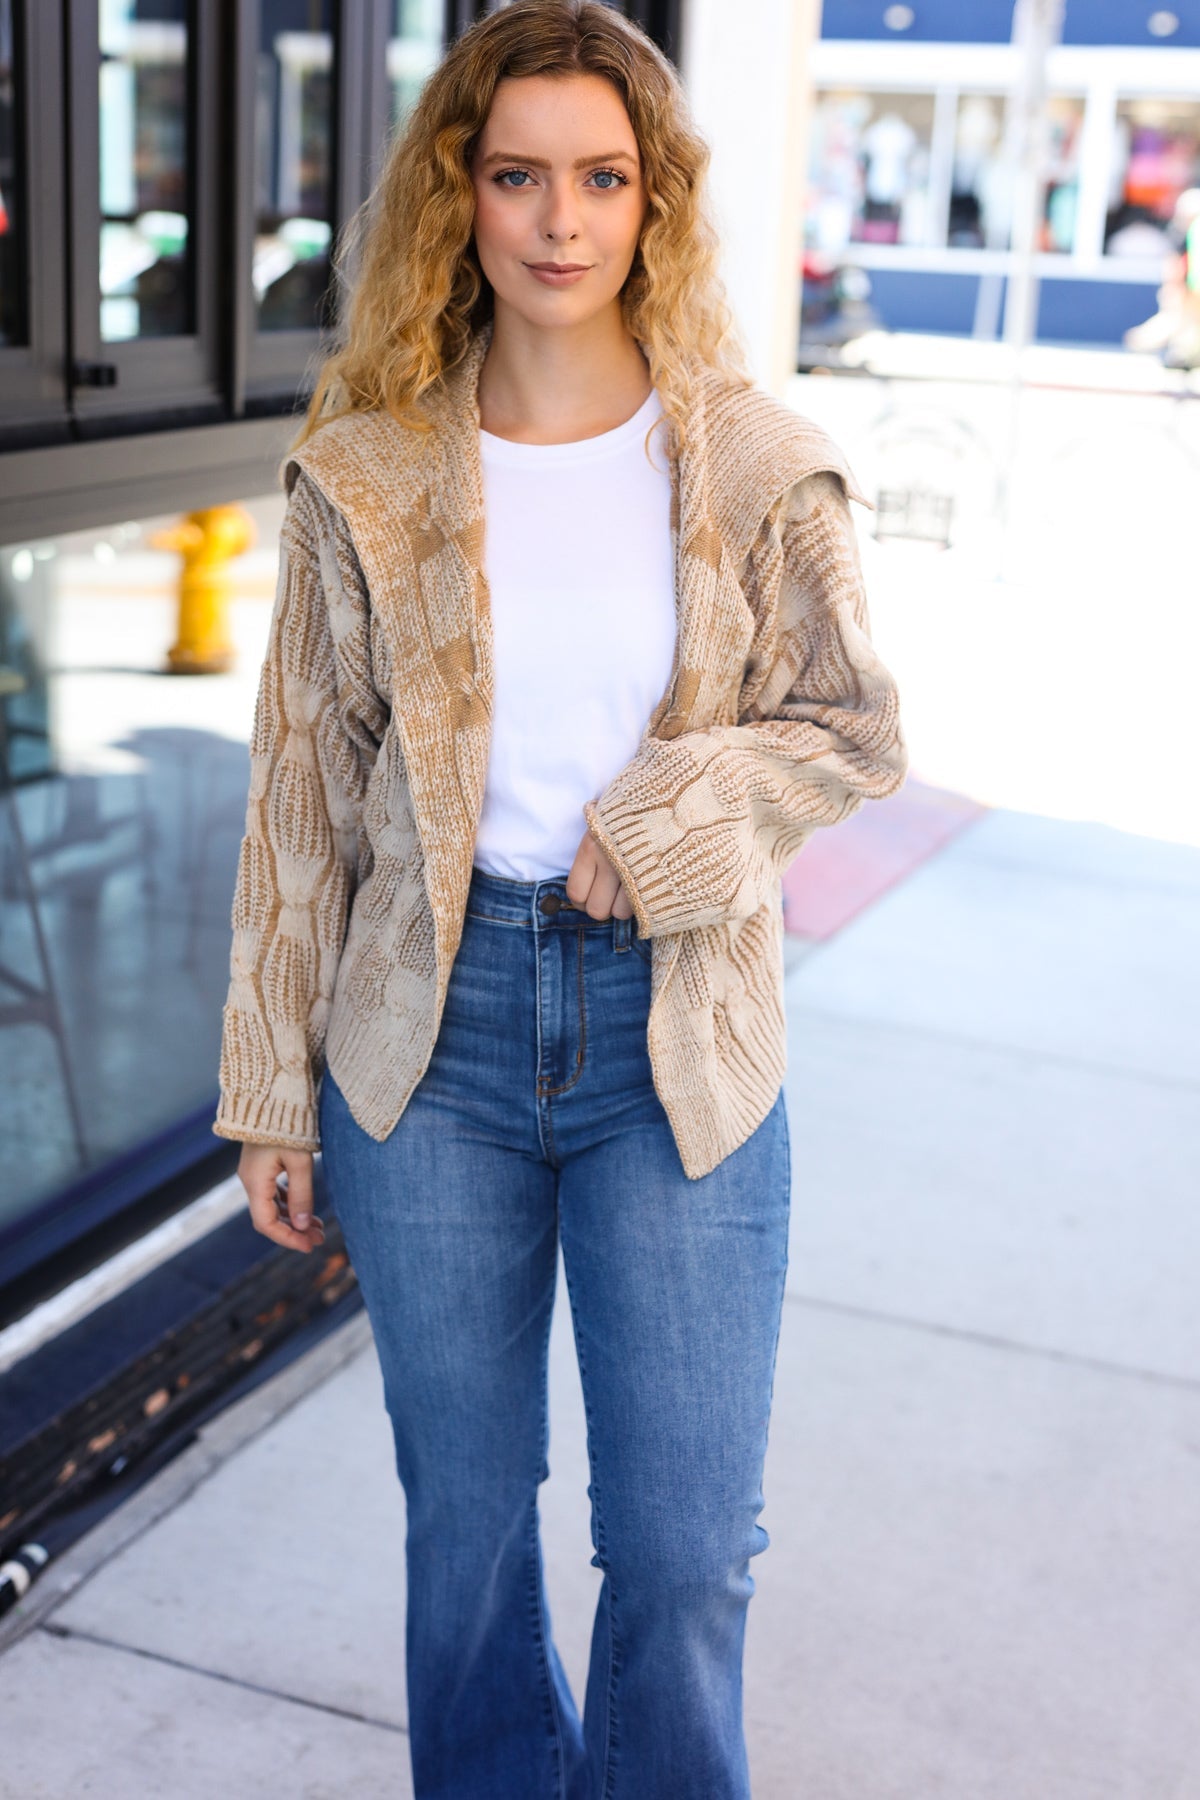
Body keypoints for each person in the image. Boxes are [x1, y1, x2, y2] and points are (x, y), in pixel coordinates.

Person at [212, 3, 908, 1794]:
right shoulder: (361, 474)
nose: (558, 219)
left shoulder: (750, 462)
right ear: (461, 193)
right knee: (469, 1528)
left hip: (671, 1036)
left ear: (655, 203)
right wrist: (272, 1090)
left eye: (602, 176)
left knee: (682, 1552)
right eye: (516, 174)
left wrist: (679, 813)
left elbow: (850, 731)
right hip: (427, 1046)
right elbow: (299, 792)